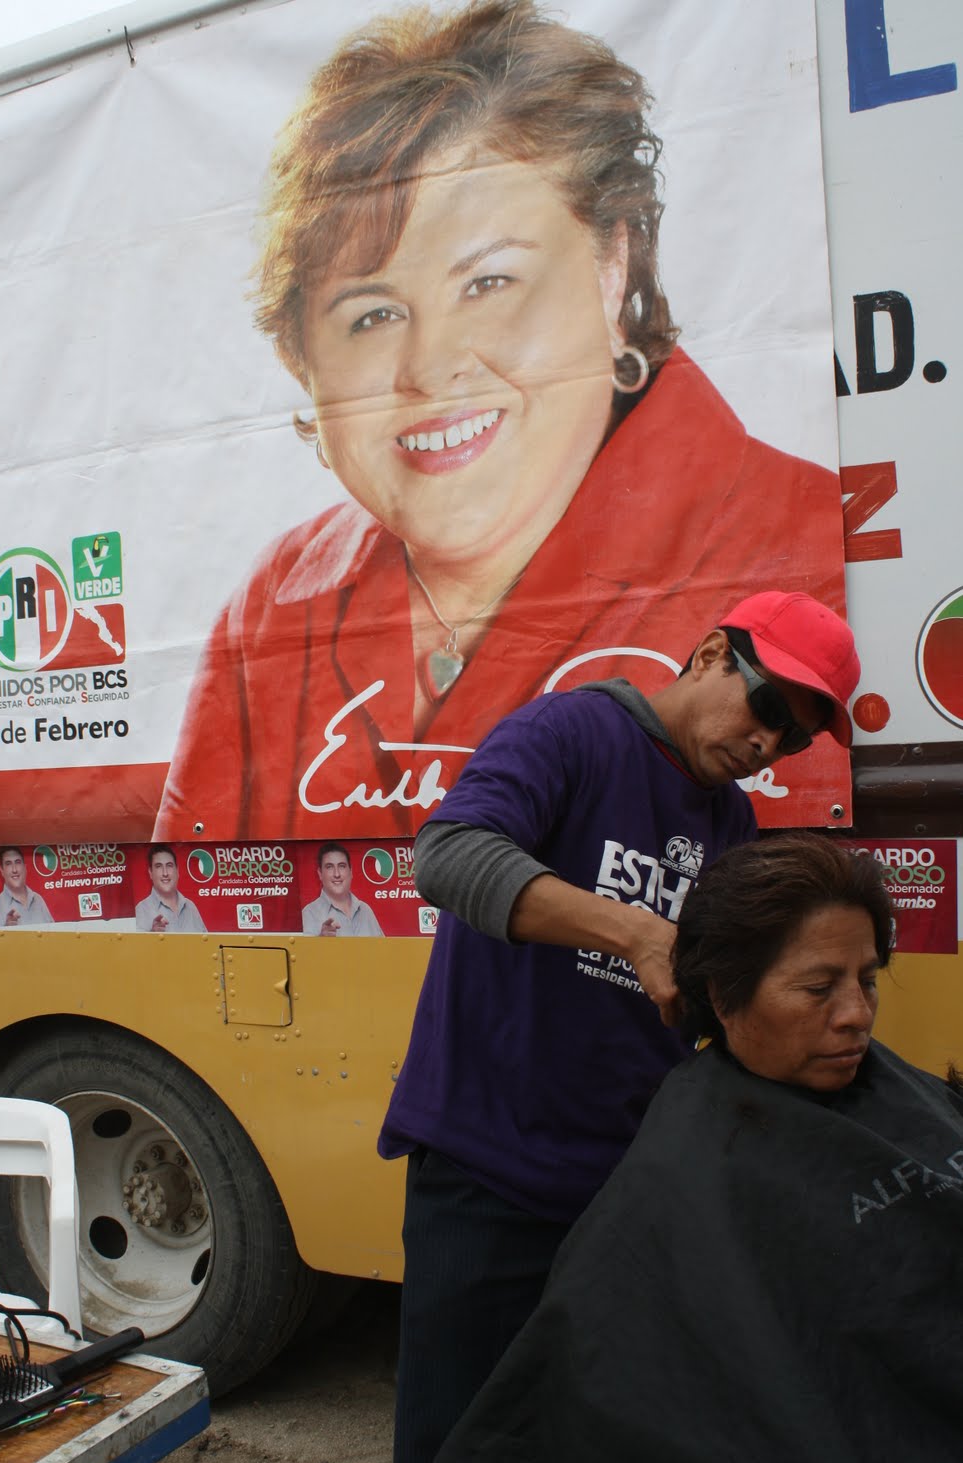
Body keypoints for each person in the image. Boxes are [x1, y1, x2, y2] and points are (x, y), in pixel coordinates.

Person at [153, 0, 845, 844]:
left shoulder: (793, 542)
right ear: (301, 358)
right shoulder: (276, 602)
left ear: (609, 264)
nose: (429, 368)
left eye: (488, 283)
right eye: (370, 315)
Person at [377, 590, 860, 1463]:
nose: (768, 742)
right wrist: (635, 931)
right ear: (708, 652)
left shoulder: (730, 824)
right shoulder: (571, 730)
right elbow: (448, 854)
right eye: (765, 706)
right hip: (486, 1169)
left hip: (618, 1201)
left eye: (794, 735)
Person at [437, 833, 963, 1463]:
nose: (856, 1016)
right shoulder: (677, 1182)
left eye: (867, 980)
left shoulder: (905, 1099)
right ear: (723, 994)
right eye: (818, 988)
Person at [302, 843, 384, 937]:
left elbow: (384, 950)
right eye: (329, 867)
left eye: (342, 866)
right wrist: (320, 942)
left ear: (351, 871)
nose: (336, 874)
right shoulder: (309, 913)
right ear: (320, 874)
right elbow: (301, 951)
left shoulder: (365, 910)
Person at [134, 845, 207, 934]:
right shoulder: (140, 910)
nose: (165, 873)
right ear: (150, 873)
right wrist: (151, 935)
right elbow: (134, 947)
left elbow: (206, 944)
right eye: (158, 866)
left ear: (177, 871)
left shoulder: (190, 907)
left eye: (169, 865)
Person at [0, 847, 54, 928]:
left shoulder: (38, 899)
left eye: (18, 862)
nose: (14, 869)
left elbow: (53, 933)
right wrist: (6, 929)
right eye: (8, 864)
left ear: (25, 867)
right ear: (2, 871)